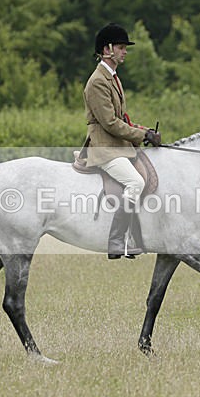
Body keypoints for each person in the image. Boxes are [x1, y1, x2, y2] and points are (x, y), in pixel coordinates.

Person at [83, 23, 161, 259]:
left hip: (117, 145)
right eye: (120, 47)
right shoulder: (97, 81)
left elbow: (121, 118)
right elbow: (109, 123)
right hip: (104, 148)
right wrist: (140, 135)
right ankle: (117, 241)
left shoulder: (113, 77)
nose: (124, 51)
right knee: (135, 182)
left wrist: (144, 131)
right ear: (107, 49)